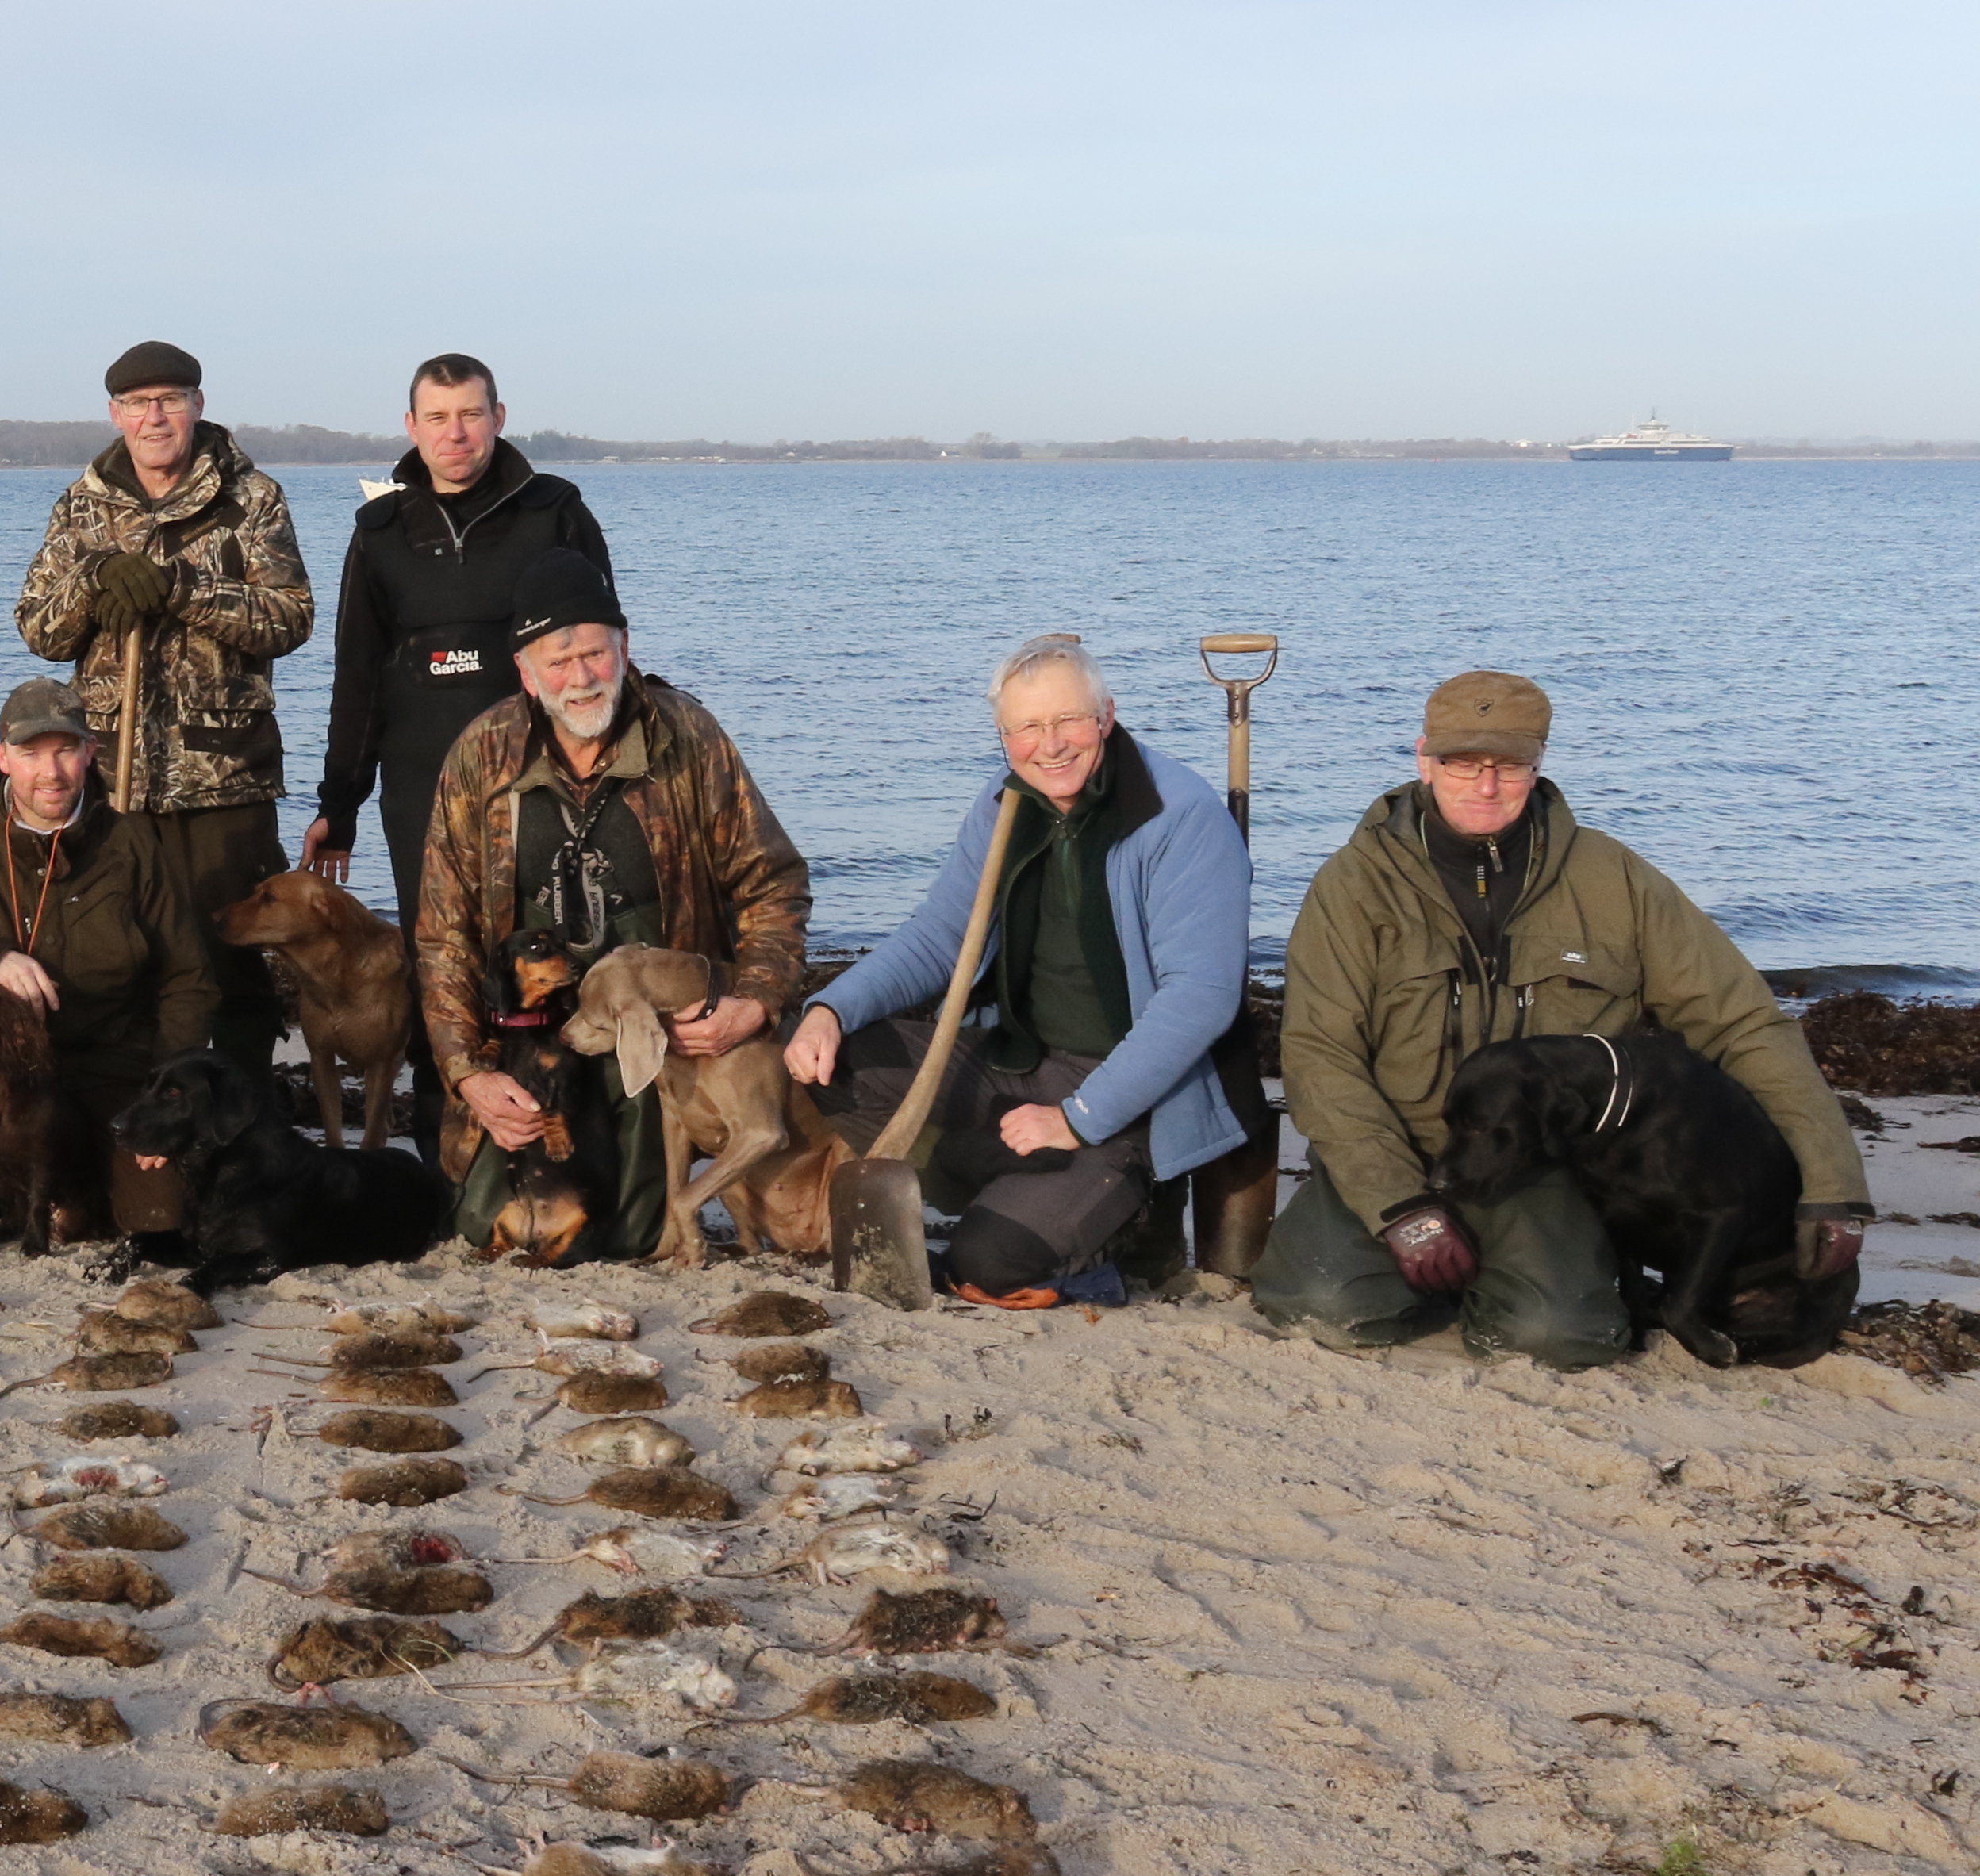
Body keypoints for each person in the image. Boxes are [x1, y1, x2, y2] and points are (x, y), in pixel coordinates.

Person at [1256, 670, 1871, 1367]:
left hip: (1543, 1169)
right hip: (1391, 1154)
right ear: (1424, 758)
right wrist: (1401, 1206)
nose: (1485, 785)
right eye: (1463, 762)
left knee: (1558, 1338)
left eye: (1508, 765)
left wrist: (1834, 1181)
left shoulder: (1614, 877)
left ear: (1537, 764)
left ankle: (1530, 1273)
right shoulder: (1353, 883)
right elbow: (1319, 1055)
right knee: (1322, 1309)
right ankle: (1444, 1268)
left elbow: (1743, 1024)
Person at [782, 635, 1251, 1304]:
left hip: (1132, 1100)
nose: (1050, 744)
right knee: (829, 1059)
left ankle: (1121, 1229)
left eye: (1068, 721)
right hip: (1023, 1063)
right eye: (1027, 727)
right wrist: (830, 1009)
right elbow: (942, 937)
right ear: (1004, 735)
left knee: (986, 1266)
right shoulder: (1004, 806)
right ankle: (1007, 1179)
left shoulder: (1180, 818)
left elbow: (1199, 998)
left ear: (1106, 717)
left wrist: (1078, 1118)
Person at [411, 551, 809, 1257]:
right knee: (484, 1227)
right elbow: (444, 942)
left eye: (594, 652)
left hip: (656, 1041)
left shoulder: (691, 738)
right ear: (527, 675)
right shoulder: (478, 757)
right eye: (557, 663)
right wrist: (470, 1075)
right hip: (535, 1040)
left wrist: (755, 1000)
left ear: (624, 649)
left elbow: (772, 882)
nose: (581, 676)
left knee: (627, 1234)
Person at [13, 338, 315, 1074]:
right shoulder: (83, 506)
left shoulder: (252, 498)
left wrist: (183, 587)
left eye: (171, 400)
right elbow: (38, 630)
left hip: (225, 780)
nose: (156, 417)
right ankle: (141, 1113)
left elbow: (290, 619)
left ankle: (246, 1108)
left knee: (233, 959)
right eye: (140, 404)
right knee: (126, 952)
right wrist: (93, 578)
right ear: (116, 414)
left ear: (197, 407)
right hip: (116, 783)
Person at [0, 678, 221, 1247]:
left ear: (91, 752)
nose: (51, 772)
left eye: (65, 750)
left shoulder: (134, 845)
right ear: (2, 759)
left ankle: (78, 1192)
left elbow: (190, 982)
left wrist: (169, 1104)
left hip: (112, 1069)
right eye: (31, 753)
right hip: (3, 1082)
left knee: (159, 1220)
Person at [306, 353, 612, 929]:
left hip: (543, 781)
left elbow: (604, 660)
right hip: (422, 787)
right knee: (438, 969)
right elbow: (357, 679)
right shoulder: (380, 533)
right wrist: (338, 808)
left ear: (497, 417)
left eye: (470, 414)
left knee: (553, 963)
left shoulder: (555, 513)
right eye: (438, 416)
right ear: (412, 425)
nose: (455, 433)